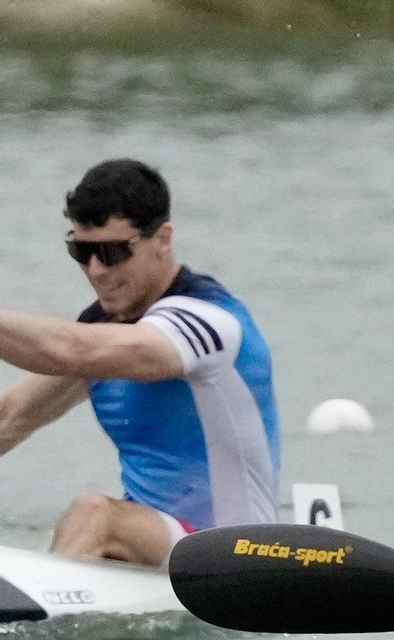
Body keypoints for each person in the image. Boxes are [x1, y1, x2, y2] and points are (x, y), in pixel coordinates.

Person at [0, 158, 281, 566]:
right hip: (152, 548)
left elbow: (72, 350)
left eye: (113, 252)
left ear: (162, 239)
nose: (96, 270)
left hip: (238, 555)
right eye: (81, 251)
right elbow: (10, 418)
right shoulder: (103, 327)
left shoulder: (209, 321)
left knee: (93, 512)